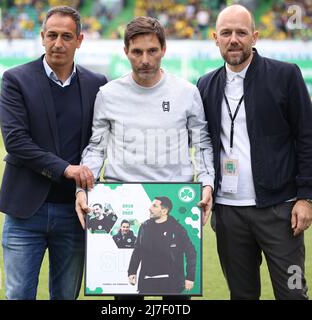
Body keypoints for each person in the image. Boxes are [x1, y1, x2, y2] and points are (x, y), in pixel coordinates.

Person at [75, 16, 215, 300]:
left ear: (163, 48)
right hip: (124, 205)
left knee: (176, 300)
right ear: (126, 51)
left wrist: (207, 184)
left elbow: (202, 145)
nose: (145, 59)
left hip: (175, 205)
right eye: (137, 52)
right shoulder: (108, 94)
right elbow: (95, 148)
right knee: (128, 300)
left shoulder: (187, 93)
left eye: (152, 50)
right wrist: (82, 188)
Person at [197, 4, 312, 300]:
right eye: (226, 33)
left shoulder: (285, 76)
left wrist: (305, 196)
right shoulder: (205, 85)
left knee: (293, 294)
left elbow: (306, 137)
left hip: (279, 210)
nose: (234, 39)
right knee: (242, 295)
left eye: (241, 32)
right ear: (215, 38)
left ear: (254, 37)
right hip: (228, 214)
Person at [0, 6, 107, 300]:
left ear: (80, 40)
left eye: (66, 36)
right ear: (42, 37)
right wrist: (66, 169)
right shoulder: (15, 80)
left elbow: (101, 140)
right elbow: (16, 141)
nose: (58, 43)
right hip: (24, 211)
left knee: (65, 296)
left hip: (76, 213)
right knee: (19, 295)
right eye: (52, 35)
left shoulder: (98, 84)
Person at [128, 196, 196, 295]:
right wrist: (132, 271)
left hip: (171, 281)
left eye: (154, 206)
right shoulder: (144, 227)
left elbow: (191, 253)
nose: (150, 208)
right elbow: (138, 250)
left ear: (164, 211)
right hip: (147, 279)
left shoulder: (177, 229)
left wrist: (190, 277)